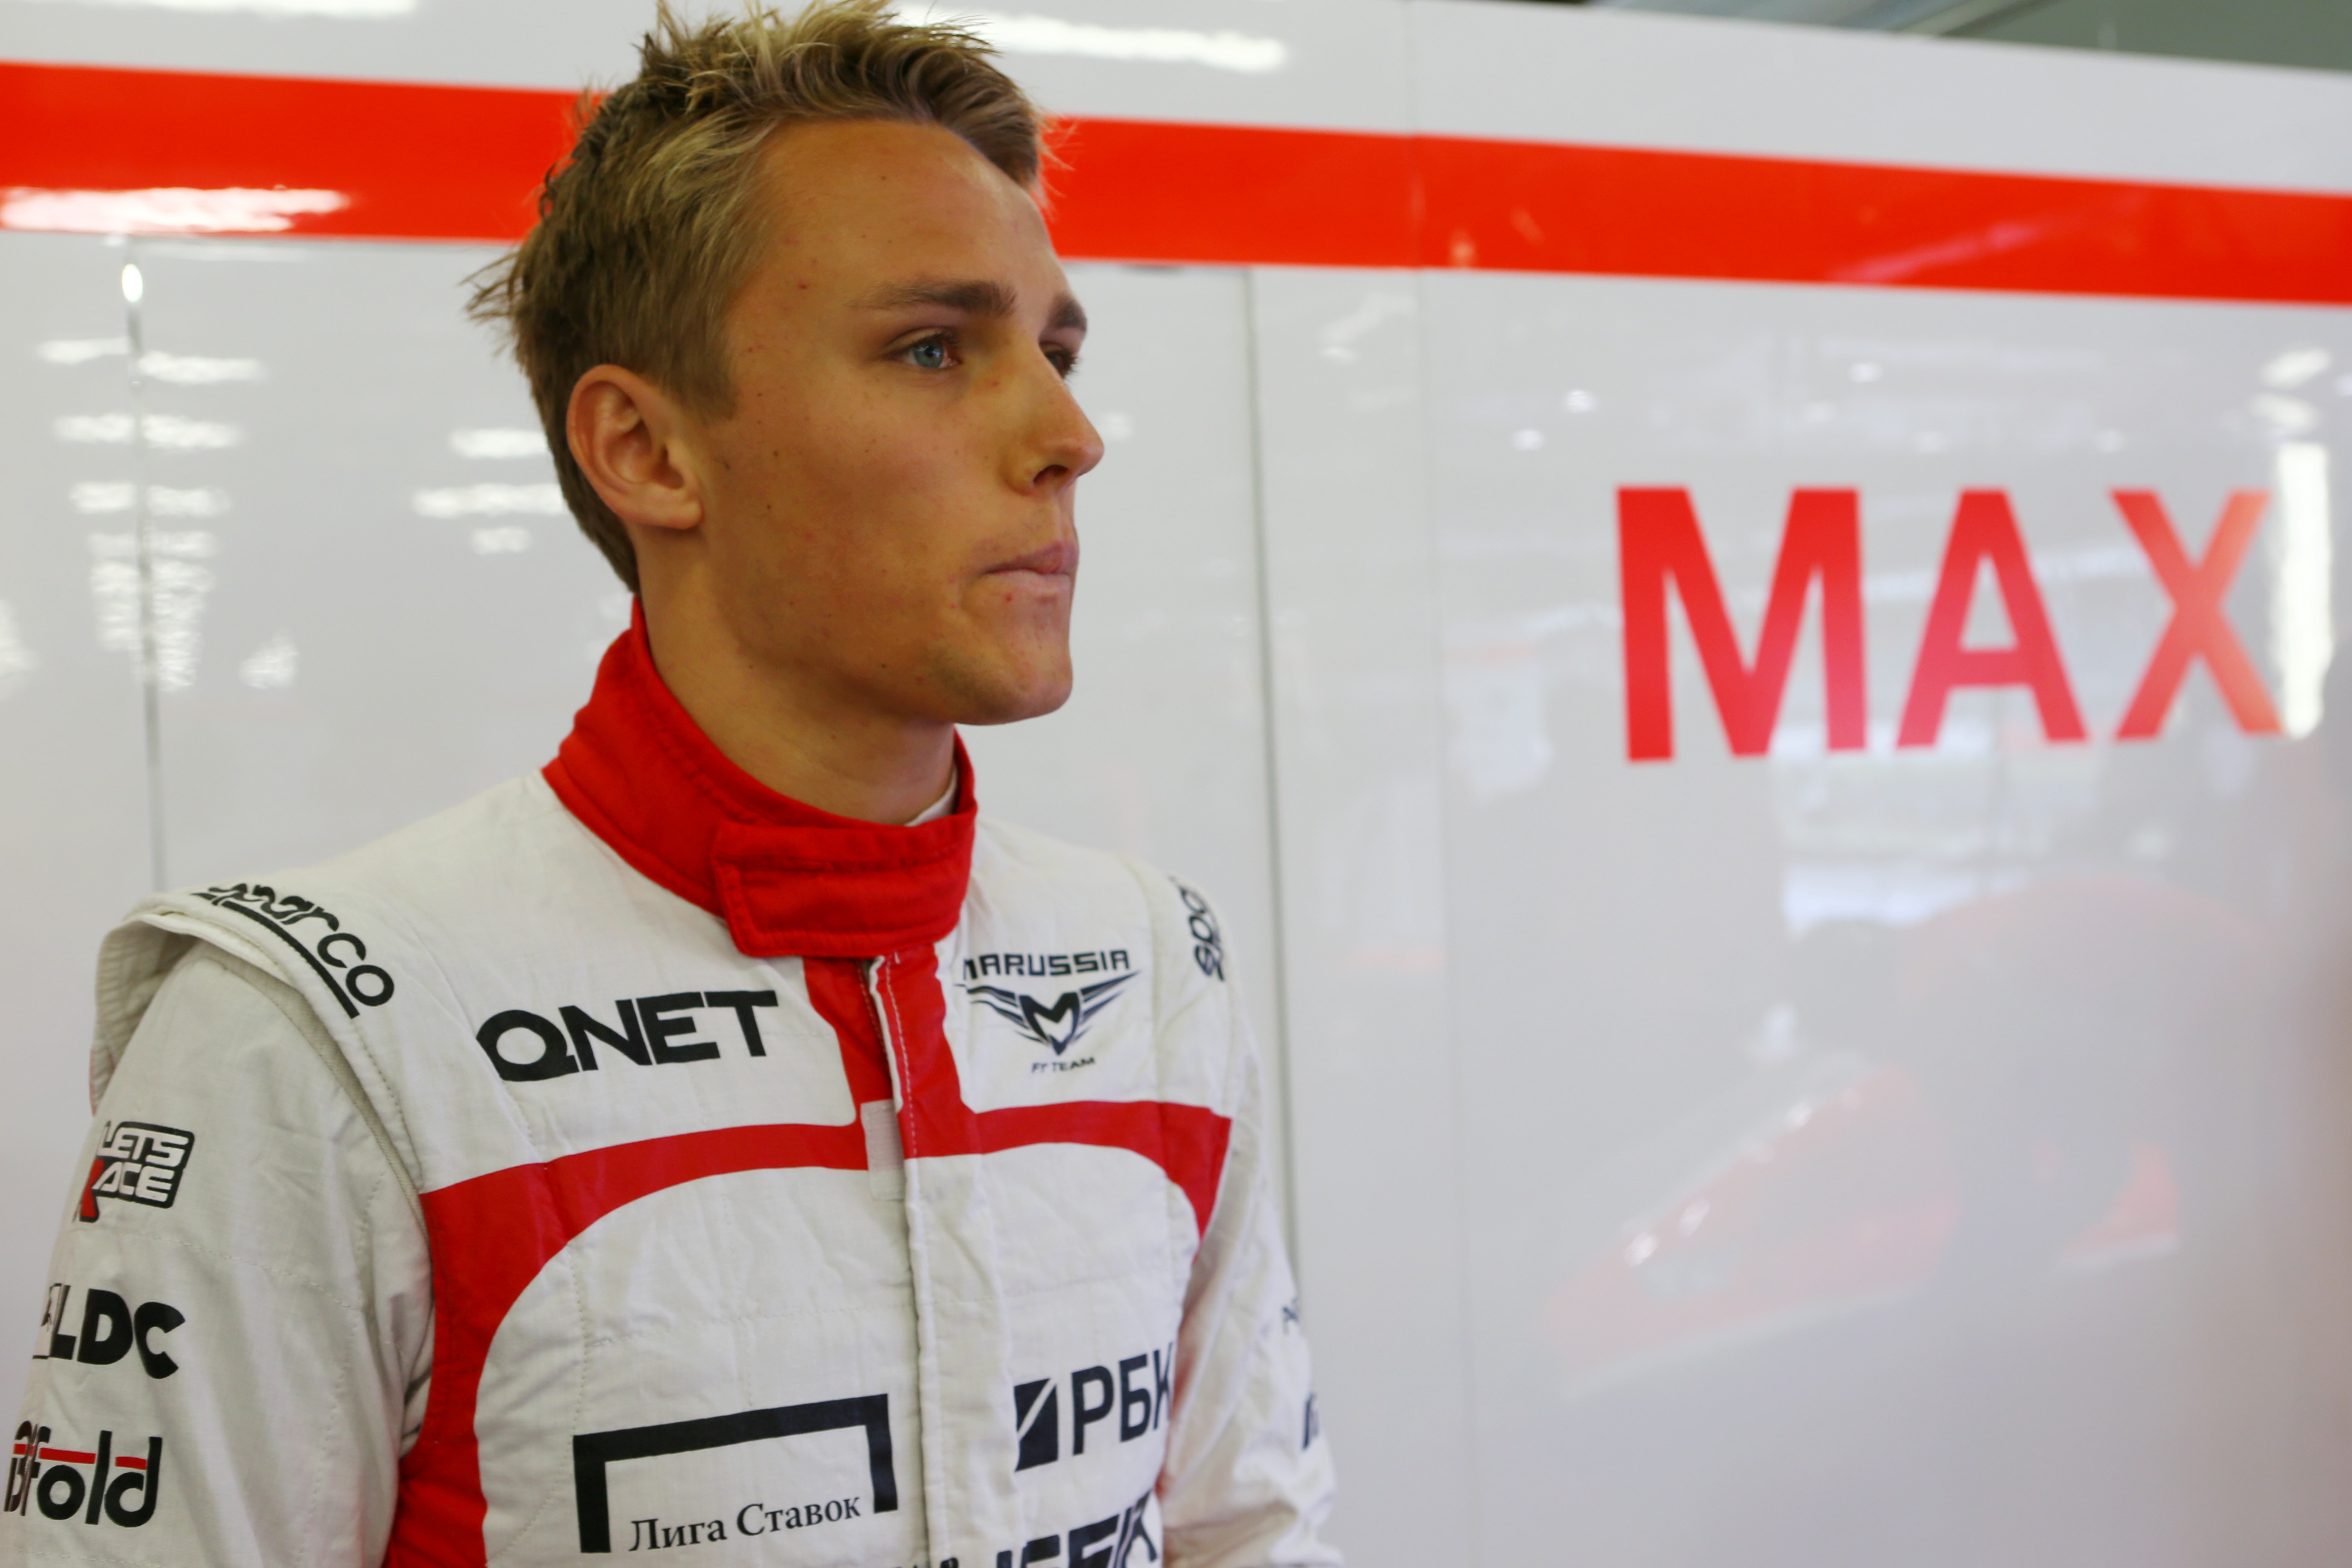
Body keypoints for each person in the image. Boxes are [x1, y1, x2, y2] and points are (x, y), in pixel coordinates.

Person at [0, 5, 1338, 1564]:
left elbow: (1251, 1532)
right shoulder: (318, 1033)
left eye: (1056, 351)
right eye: (933, 348)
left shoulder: (1155, 964)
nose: (1070, 434)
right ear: (645, 450)